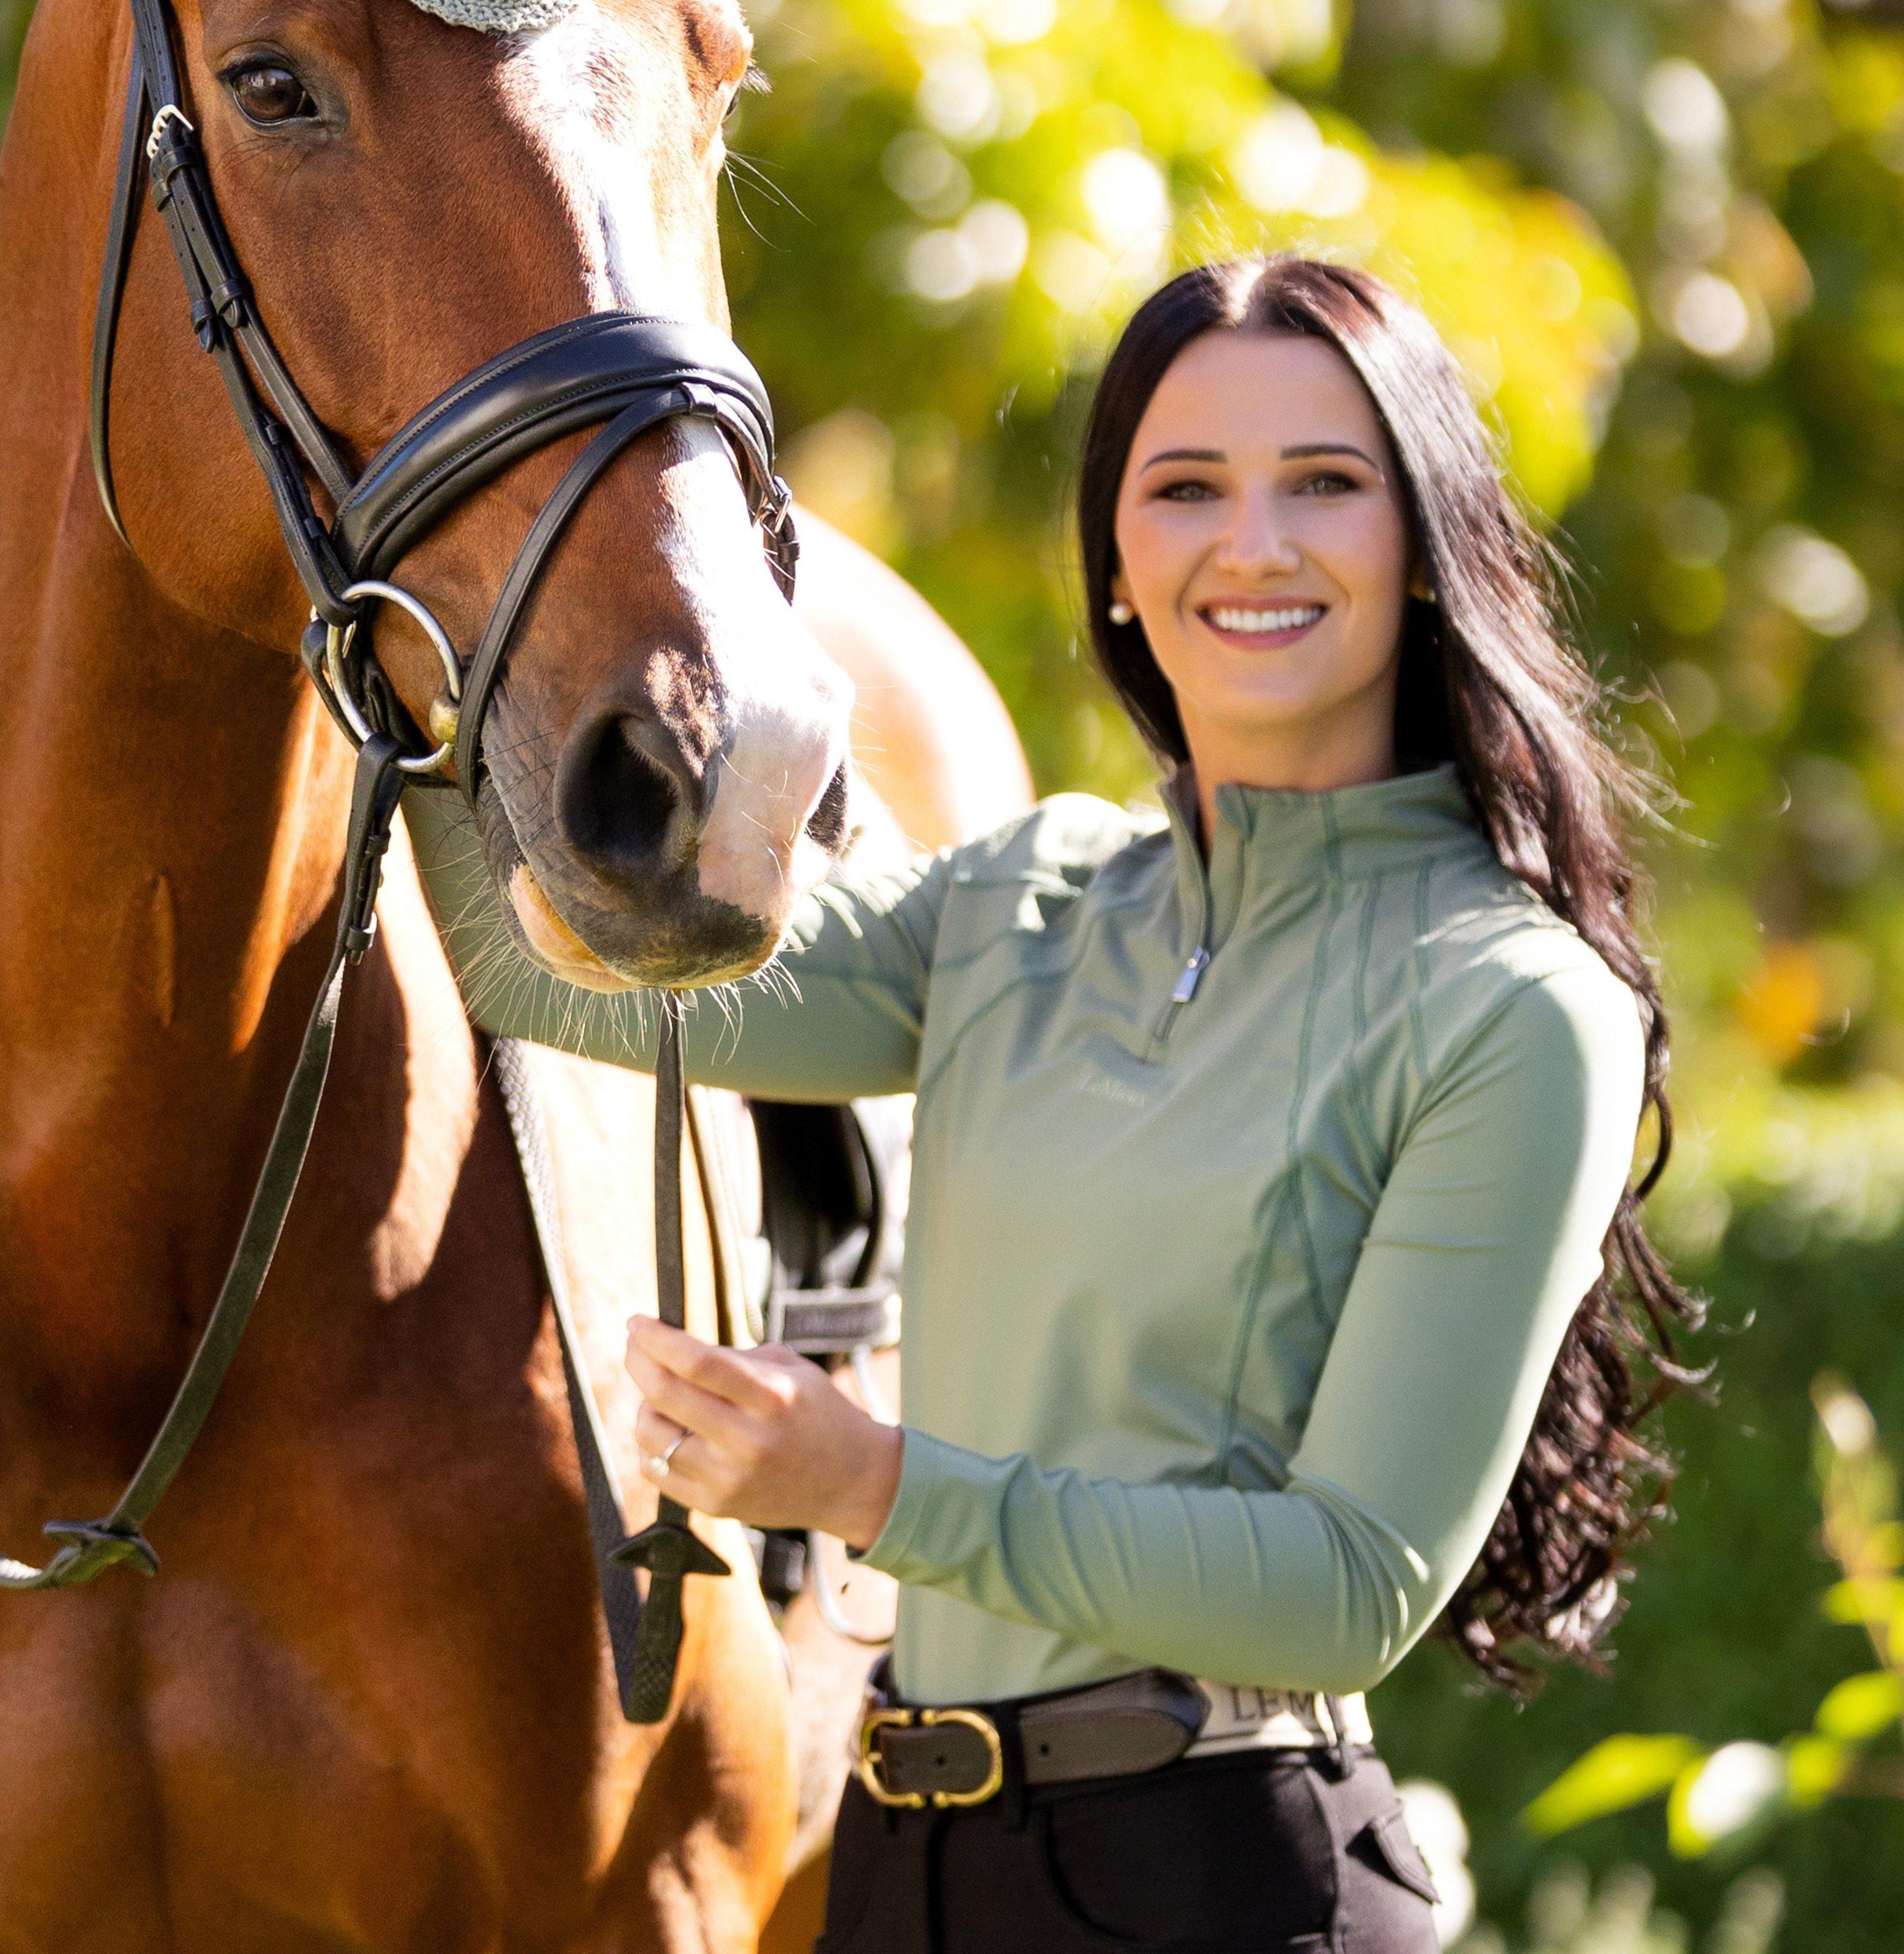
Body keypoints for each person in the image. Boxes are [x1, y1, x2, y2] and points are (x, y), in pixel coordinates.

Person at [406, 254, 1694, 1952]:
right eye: (1186, 490)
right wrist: (400, 601)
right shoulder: (1028, 899)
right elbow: (534, 963)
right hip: (901, 1869)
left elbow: (1348, 1587)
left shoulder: (1513, 1004)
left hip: (1229, 1876)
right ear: (1115, 564)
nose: (1254, 544)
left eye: (1326, 484)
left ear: (1429, 541)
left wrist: (870, 1484)